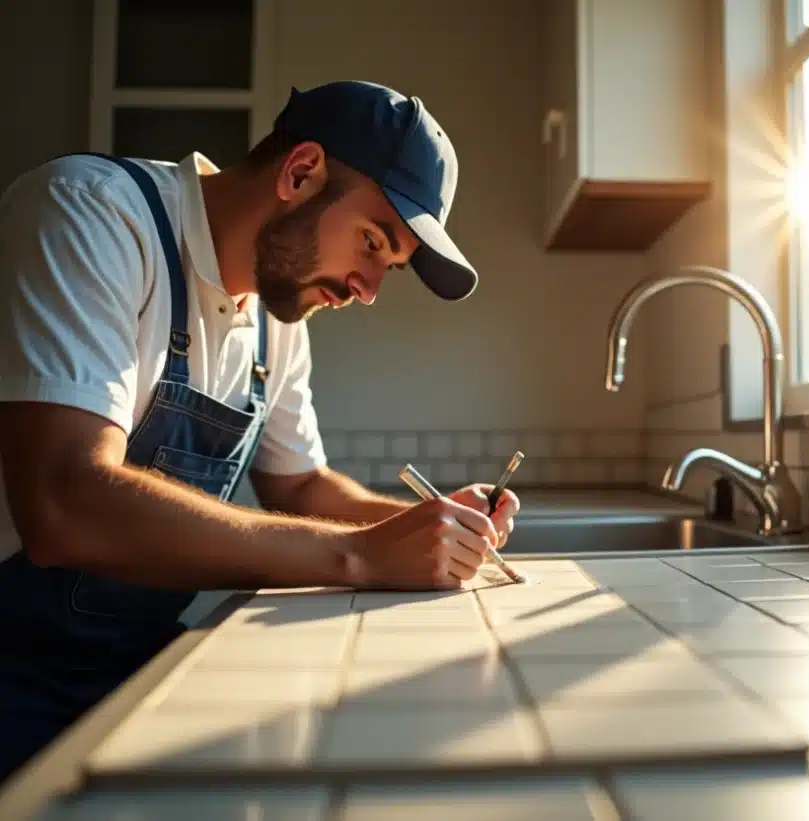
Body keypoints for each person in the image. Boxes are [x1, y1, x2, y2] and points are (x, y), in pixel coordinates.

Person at [0, 80, 520, 782]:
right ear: (300, 171)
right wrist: (360, 556)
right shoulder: (92, 215)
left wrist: (430, 525)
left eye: (387, 267)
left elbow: (300, 484)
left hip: (130, 661)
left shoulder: (278, 318)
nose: (368, 288)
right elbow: (65, 502)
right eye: (373, 242)